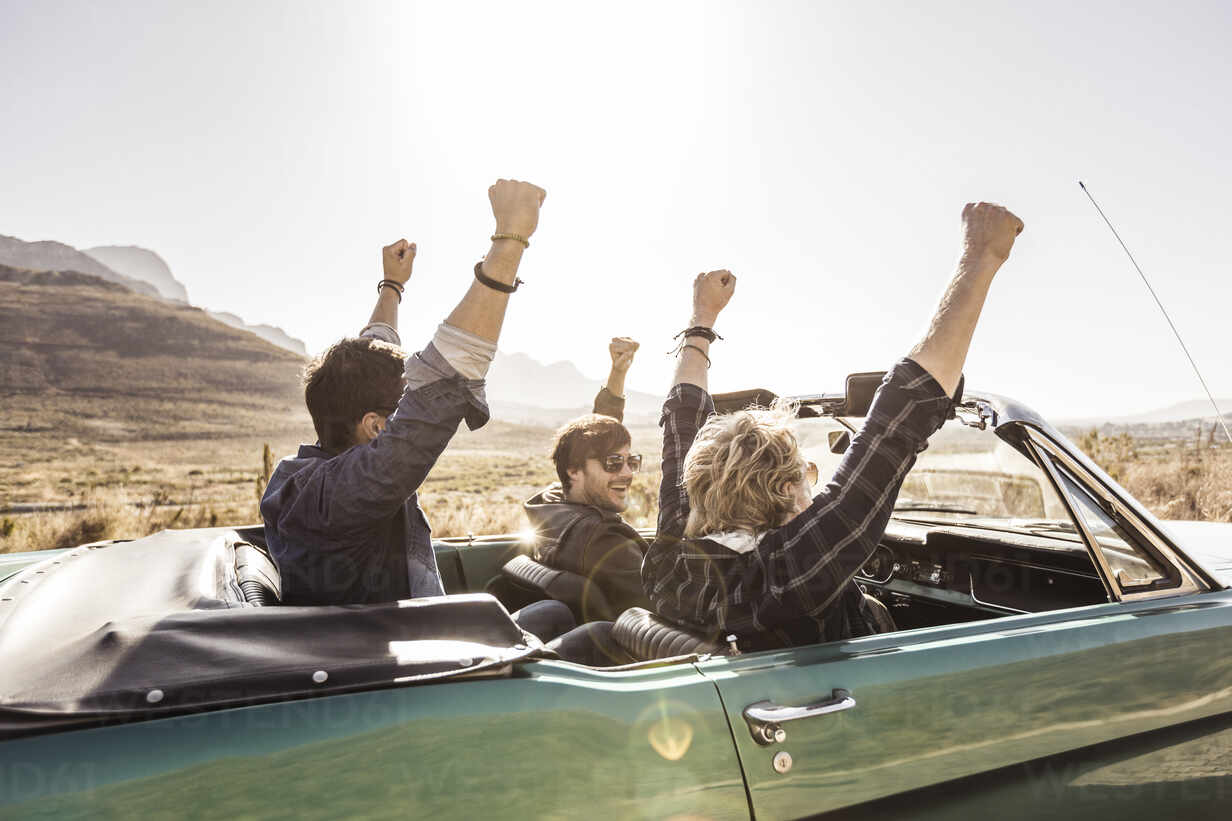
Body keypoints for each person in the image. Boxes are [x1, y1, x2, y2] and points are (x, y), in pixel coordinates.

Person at [642, 202, 1024, 650]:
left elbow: (680, 424)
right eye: (807, 473)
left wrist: (702, 319)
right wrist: (980, 256)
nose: (814, 484)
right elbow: (900, 418)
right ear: (784, 491)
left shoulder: (670, 559)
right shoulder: (784, 577)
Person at [261, 179, 572, 643]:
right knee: (573, 622)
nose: (409, 411)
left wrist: (392, 286)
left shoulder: (315, 474)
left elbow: (377, 355)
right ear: (376, 426)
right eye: (400, 410)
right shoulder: (340, 494)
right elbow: (445, 375)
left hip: (410, 641)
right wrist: (510, 240)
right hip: (413, 667)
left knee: (547, 612)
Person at [522, 338, 653, 620]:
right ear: (573, 470)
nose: (628, 473)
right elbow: (670, 603)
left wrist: (617, 374)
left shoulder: (552, 505)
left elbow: (589, 444)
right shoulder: (605, 543)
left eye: (631, 461)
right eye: (614, 463)